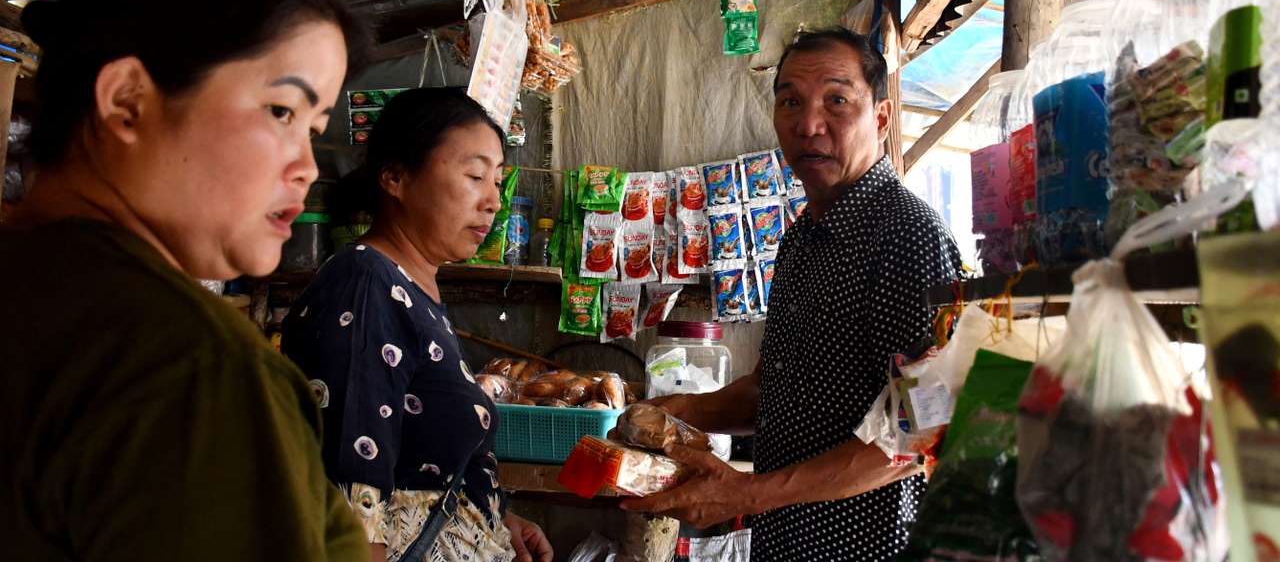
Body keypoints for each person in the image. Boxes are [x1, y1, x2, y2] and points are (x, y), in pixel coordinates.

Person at [0, 0, 372, 560]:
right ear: (128, 102)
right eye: (282, 111)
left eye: (314, 127)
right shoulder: (190, 373)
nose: (307, 166)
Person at [623, 28, 964, 560]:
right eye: (790, 102)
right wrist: (671, 413)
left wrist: (747, 492)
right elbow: (775, 392)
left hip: (868, 547)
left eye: (837, 100)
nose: (808, 125)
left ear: (880, 117)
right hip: (789, 540)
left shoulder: (906, 235)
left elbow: (922, 430)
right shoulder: (802, 238)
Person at [282, 88, 553, 562]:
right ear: (395, 176)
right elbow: (351, 480)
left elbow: (421, 456)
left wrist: (491, 517)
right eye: (473, 176)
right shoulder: (366, 283)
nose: (492, 201)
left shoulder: (411, 291)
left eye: (497, 180)